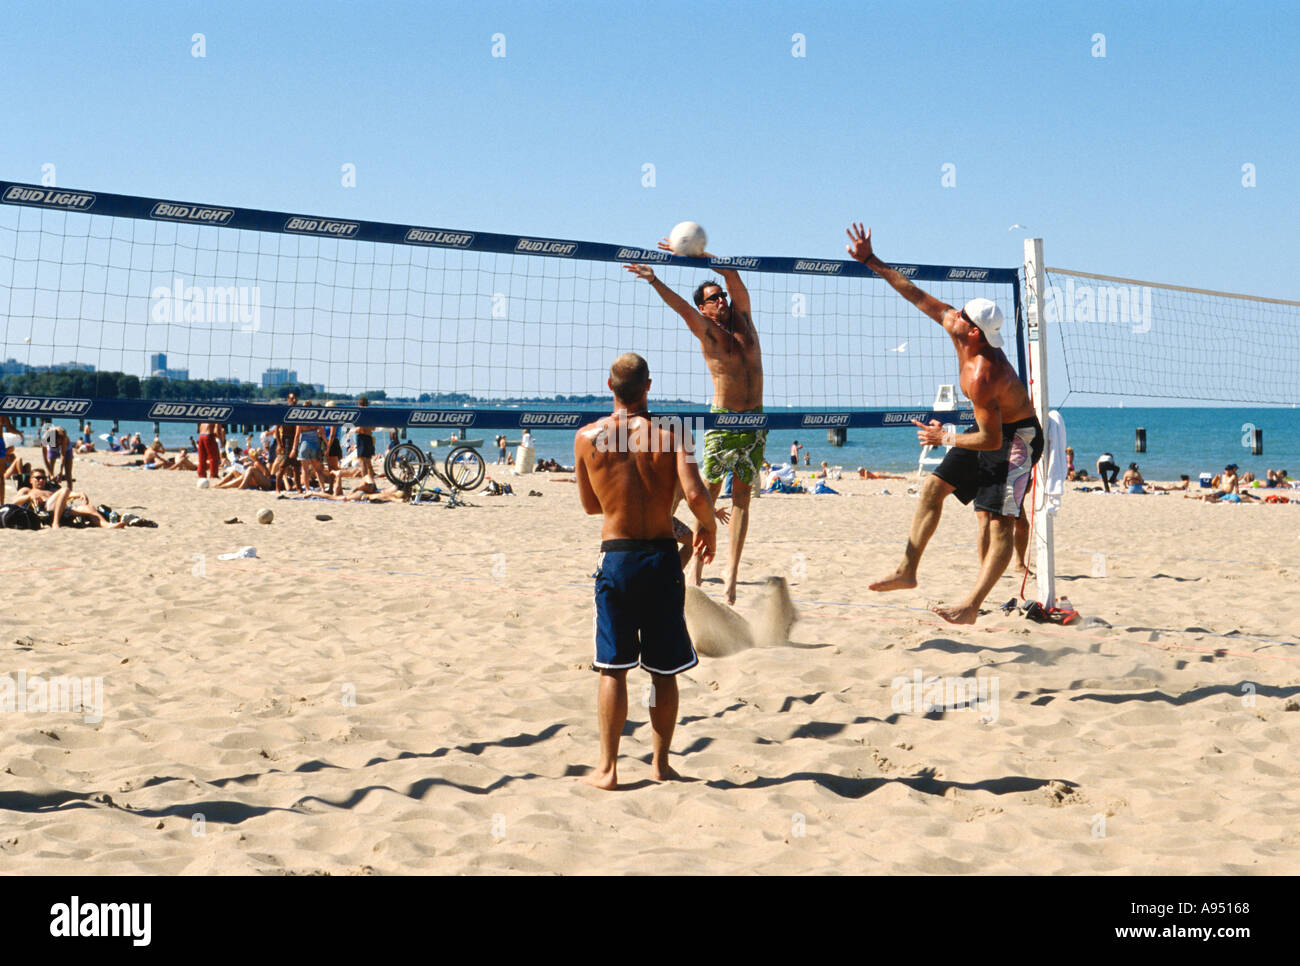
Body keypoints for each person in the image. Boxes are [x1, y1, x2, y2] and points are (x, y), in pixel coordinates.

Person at [847, 223, 1042, 624]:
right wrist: (871, 260)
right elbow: (914, 293)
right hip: (992, 431)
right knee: (933, 488)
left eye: (962, 315)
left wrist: (945, 436)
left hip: (1017, 437)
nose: (953, 314)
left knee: (1000, 522)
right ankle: (908, 569)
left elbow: (990, 440)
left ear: (975, 331)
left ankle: (970, 607)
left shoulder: (985, 374)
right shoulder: (958, 328)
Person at [574, 353, 716, 790]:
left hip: (617, 556)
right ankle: (660, 765)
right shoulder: (674, 434)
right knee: (663, 671)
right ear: (648, 386)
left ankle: (609, 769)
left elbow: (590, 505)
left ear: (609, 386)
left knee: (612, 670)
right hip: (659, 559)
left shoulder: (586, 437)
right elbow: (694, 493)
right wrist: (708, 527)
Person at [625, 239, 763, 605]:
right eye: (713, 299)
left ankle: (731, 579)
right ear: (705, 308)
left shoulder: (745, 321)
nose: (721, 301)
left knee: (744, 500)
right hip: (724, 419)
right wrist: (655, 281)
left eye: (722, 297)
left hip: (755, 420)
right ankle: (699, 575)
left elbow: (733, 276)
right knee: (708, 495)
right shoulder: (708, 332)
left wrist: (704, 257)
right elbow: (682, 309)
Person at [354, 396, 378, 493]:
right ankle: (372, 483)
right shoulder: (370, 414)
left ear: (359, 405)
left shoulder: (360, 414)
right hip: (369, 438)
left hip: (363, 438)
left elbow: (360, 429)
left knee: (362, 462)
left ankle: (365, 482)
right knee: (369, 463)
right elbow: (373, 428)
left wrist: (354, 430)